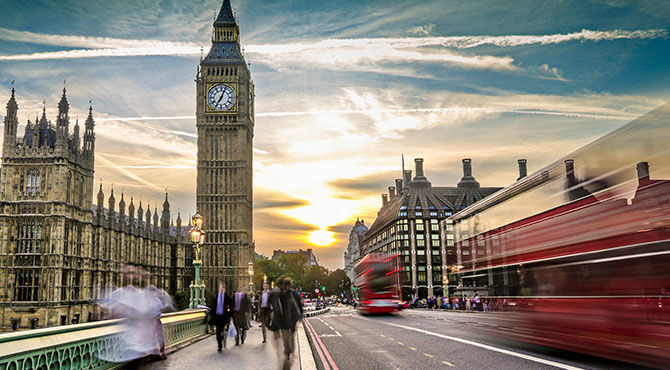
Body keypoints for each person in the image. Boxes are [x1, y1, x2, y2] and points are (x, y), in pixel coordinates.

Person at [268, 277, 303, 370]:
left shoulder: (293, 294)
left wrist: (297, 320)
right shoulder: (274, 294)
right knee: (282, 344)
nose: (283, 289)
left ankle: (287, 357)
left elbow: (298, 308)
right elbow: (268, 307)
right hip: (279, 323)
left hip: (289, 323)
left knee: (289, 343)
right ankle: (285, 360)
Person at [209, 282, 233, 352]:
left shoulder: (227, 298)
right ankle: (220, 345)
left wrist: (229, 314)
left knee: (223, 331)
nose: (221, 289)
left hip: (224, 317)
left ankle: (223, 340)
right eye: (220, 287)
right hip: (217, 317)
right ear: (218, 289)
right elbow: (212, 307)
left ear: (224, 289)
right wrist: (211, 316)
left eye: (222, 287)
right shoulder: (215, 297)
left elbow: (229, 307)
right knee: (218, 331)